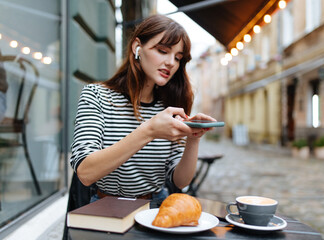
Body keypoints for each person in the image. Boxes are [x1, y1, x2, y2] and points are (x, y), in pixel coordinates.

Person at [70, 14, 217, 203]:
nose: (171, 62)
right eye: (163, 51)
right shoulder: (96, 96)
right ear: (137, 47)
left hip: (155, 206)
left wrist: (193, 140)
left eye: (178, 58)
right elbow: (85, 172)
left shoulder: (170, 107)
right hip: (104, 206)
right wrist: (149, 131)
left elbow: (180, 181)